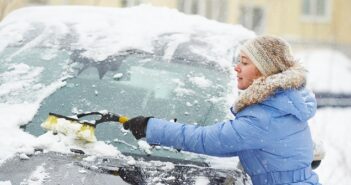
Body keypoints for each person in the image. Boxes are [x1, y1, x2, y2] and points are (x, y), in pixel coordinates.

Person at [123, 35, 320, 185]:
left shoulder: (264, 117)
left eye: (244, 63)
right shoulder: (281, 103)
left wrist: (151, 127)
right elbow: (232, 144)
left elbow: (209, 140)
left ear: (264, 70)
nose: (236, 68)